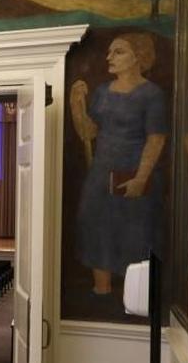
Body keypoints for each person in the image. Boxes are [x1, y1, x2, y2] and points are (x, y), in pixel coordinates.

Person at [69, 32, 168, 298]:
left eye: (119, 52)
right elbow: (88, 132)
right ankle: (101, 290)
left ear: (139, 57)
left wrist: (141, 177)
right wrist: (76, 105)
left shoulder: (151, 94)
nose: (109, 57)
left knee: (134, 231)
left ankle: (136, 298)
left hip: (133, 173)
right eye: (110, 52)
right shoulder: (102, 91)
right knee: (95, 226)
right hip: (101, 173)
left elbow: (156, 139)